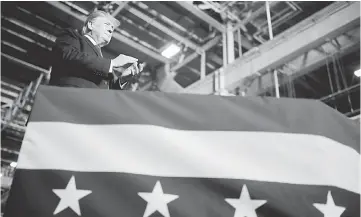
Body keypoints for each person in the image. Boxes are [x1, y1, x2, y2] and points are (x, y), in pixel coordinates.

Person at [49, 10, 139, 89]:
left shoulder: (100, 59)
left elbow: (98, 77)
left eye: (112, 28)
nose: (111, 30)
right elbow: (68, 55)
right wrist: (112, 63)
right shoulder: (72, 36)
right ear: (91, 25)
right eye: (107, 25)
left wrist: (122, 79)